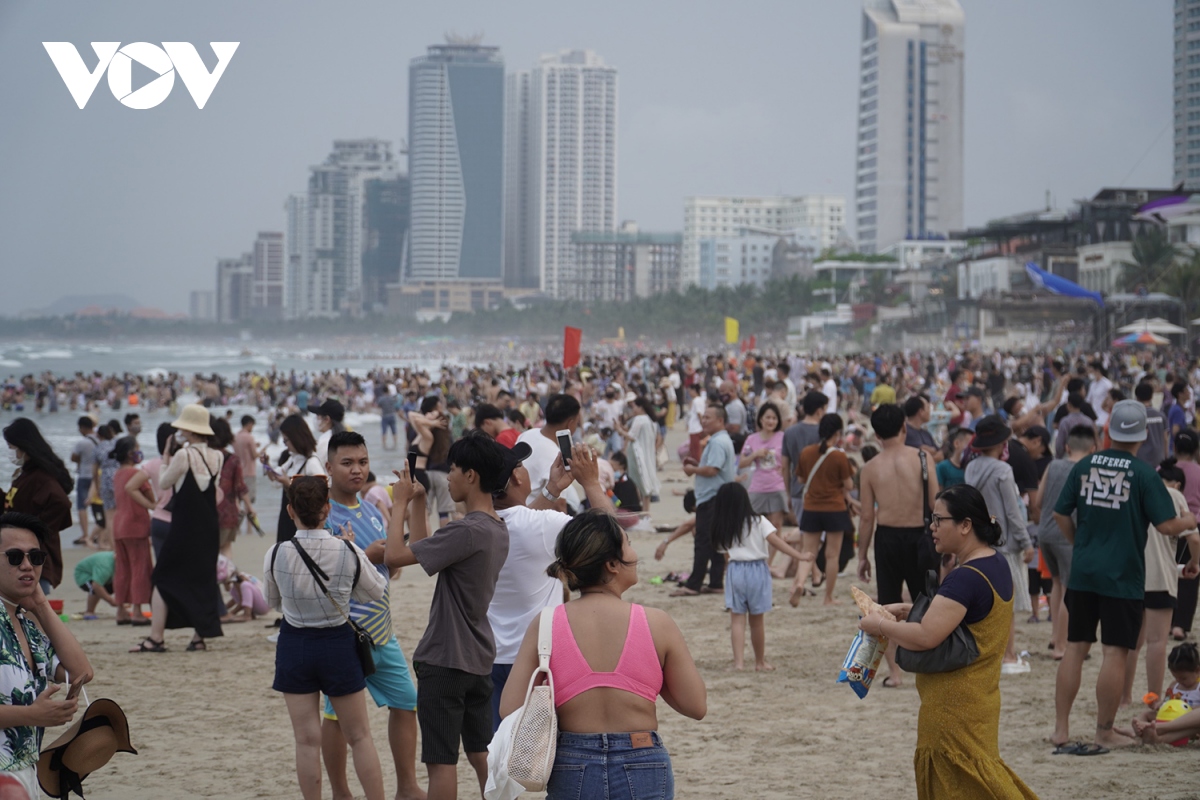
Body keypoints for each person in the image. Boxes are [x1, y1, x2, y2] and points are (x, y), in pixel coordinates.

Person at [499, 510, 707, 800]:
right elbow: (696, 706)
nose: (634, 553)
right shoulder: (657, 623)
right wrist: (648, 680)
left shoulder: (546, 623)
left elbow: (508, 708)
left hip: (572, 763)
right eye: (629, 543)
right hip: (642, 758)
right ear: (612, 564)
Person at [858, 485, 1039, 800]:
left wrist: (881, 625)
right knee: (984, 780)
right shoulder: (995, 563)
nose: (932, 527)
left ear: (965, 525)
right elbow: (962, 617)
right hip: (980, 697)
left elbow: (927, 636)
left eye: (939, 520)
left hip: (954, 705)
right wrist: (907, 610)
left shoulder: (965, 576)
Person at [1051, 400, 1198, 752]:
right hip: (1123, 575)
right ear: (1144, 434)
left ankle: (1060, 729)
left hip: (1085, 572)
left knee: (1075, 649)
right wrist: (1191, 521)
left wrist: (1080, 545)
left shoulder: (1084, 465)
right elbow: (1165, 525)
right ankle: (1103, 729)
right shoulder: (1144, 473)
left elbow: (1059, 514)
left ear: (1109, 431)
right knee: (1114, 652)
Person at [384, 432, 511, 800]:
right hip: (478, 658)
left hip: (444, 659)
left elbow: (395, 557)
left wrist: (398, 503)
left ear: (471, 475)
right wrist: (418, 502)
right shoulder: (495, 528)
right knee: (480, 752)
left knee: (441, 762)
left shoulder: (466, 529)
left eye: (453, 468)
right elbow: (428, 555)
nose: (449, 475)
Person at [263, 477, 387, 800]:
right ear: (327, 509)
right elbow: (375, 591)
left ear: (291, 511)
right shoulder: (346, 550)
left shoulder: (276, 553)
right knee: (359, 736)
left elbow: (272, 602)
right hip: (337, 641)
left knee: (305, 740)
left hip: (294, 642)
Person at [319, 431, 424, 800]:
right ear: (329, 467)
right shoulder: (322, 516)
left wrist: (387, 552)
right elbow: (318, 580)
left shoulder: (372, 511)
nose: (356, 470)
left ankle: (408, 787)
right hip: (342, 632)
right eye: (347, 463)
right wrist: (367, 553)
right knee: (336, 717)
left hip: (382, 631)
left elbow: (389, 571)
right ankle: (340, 792)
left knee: (407, 702)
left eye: (362, 462)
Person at [488, 441, 614, 729]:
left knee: (502, 746)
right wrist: (591, 483)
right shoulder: (543, 525)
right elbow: (610, 538)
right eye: (520, 465)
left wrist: (551, 490)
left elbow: (519, 519)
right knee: (547, 749)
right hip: (540, 655)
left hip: (491, 655)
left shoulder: (480, 525)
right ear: (518, 477)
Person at [0, 512, 93, 799]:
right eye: (15, 557)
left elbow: (81, 672)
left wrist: (41, 604)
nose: (27, 565)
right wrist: (31, 714)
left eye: (35, 557)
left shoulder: (28, 625)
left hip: (26, 770)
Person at [857, 403, 940, 687]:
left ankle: (895, 673)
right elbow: (935, 504)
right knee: (927, 602)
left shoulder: (869, 468)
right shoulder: (922, 458)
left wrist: (862, 556)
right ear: (904, 427)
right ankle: (928, 663)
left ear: (876, 434)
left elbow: (867, 517)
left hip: (887, 537)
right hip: (921, 535)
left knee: (887, 607)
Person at [132, 404, 224, 654]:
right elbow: (215, 492)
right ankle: (198, 637)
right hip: (209, 526)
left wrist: (164, 457)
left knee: (162, 577)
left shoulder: (184, 455)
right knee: (202, 579)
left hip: (185, 526)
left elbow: (163, 482)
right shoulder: (218, 456)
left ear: (188, 430)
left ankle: (156, 638)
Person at [1119, 458, 1200, 708]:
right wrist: (1194, 563)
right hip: (1160, 580)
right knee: (1156, 642)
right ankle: (1152, 698)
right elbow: (1194, 539)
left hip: (1131, 577)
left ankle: (1124, 697)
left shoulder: (1134, 491)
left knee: (1131, 642)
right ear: (1176, 483)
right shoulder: (1174, 496)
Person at [713, 482, 810, 670]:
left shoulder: (724, 525)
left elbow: (725, 553)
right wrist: (799, 556)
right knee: (757, 621)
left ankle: (739, 663)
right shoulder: (758, 521)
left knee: (737, 619)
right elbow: (776, 541)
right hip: (758, 570)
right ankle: (759, 662)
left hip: (735, 570)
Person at [964, 415, 1035, 673]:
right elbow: (1013, 512)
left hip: (975, 543)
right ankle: (1008, 656)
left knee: (982, 603)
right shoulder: (1002, 470)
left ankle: (986, 656)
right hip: (1002, 543)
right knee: (1007, 605)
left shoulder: (971, 467)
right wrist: (1027, 542)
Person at [1034, 425, 1096, 660]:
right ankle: (1062, 646)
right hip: (1066, 534)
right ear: (1093, 448)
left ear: (1067, 446)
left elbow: (1038, 501)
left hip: (1045, 533)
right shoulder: (1087, 470)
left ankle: (1054, 637)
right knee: (1070, 590)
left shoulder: (1053, 465)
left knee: (1057, 585)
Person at [2, 418, 74, 594]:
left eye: (12, 448)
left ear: (23, 447)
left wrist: (35, 530)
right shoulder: (26, 474)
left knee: (31, 612)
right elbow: (14, 504)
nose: (11, 453)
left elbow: (61, 503)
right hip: (18, 554)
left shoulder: (40, 477)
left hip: (33, 558)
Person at [791, 413, 856, 607]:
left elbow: (801, 480)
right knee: (832, 555)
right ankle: (828, 597)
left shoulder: (807, 452)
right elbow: (849, 484)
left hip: (811, 507)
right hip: (834, 508)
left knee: (808, 551)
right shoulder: (839, 456)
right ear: (837, 433)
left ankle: (800, 583)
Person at [674, 404, 737, 597]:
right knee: (716, 541)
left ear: (720, 420)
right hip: (717, 497)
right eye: (704, 417)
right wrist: (698, 466)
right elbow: (710, 467)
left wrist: (693, 470)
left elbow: (712, 470)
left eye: (708, 418)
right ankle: (716, 582)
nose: (704, 421)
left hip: (712, 498)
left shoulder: (718, 442)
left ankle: (694, 584)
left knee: (703, 541)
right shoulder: (719, 440)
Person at [109, 436, 154, 626]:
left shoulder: (117, 474)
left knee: (123, 569)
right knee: (139, 568)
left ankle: (121, 610)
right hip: (136, 523)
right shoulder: (135, 473)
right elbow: (150, 495)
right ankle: (136, 610)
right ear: (130, 453)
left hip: (119, 524)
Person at [517, 394, 583, 512]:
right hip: (534, 516)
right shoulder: (557, 457)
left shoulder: (527, 434)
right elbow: (559, 505)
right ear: (570, 424)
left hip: (517, 508)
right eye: (577, 423)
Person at [264, 414, 323, 544]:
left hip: (303, 520)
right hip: (288, 514)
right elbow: (276, 477)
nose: (285, 445)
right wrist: (267, 465)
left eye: (286, 440)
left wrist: (289, 484)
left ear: (296, 438)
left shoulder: (311, 463)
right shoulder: (292, 459)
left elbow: (320, 493)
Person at [739, 402, 788, 558]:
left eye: (774, 418)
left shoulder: (783, 437)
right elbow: (741, 462)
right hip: (757, 486)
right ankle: (755, 557)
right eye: (767, 417)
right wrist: (755, 454)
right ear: (760, 419)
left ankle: (768, 564)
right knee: (751, 525)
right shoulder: (752, 439)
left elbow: (790, 459)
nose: (771, 421)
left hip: (777, 486)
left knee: (776, 527)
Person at [1122, 642, 1200, 739]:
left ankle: (1158, 729)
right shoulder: (1174, 685)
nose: (1179, 681)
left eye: (1184, 678)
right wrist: (1159, 704)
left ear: (1197, 670)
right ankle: (1136, 730)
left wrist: (1187, 708)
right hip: (1169, 717)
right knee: (1146, 714)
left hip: (1186, 723)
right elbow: (1167, 701)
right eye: (1176, 678)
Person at [210, 417, 252, 559]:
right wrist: (250, 507)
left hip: (207, 510)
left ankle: (213, 579)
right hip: (228, 512)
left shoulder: (204, 456)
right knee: (226, 547)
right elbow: (240, 487)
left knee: (211, 549)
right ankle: (227, 577)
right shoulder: (233, 459)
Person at [1172, 428, 1200, 641]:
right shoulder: (1199, 471)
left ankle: (1167, 620)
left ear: (1174, 447)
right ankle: (1181, 625)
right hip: (1195, 525)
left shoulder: (1163, 470)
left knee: (1168, 573)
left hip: (1169, 526)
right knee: (1191, 576)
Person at [615, 396, 661, 505]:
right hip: (647, 454)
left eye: (634, 407)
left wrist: (619, 430)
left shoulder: (639, 419)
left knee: (637, 482)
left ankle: (638, 507)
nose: (633, 410)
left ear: (641, 407)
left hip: (637, 454)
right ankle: (645, 510)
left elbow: (631, 436)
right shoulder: (651, 420)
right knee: (646, 482)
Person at [69, 416, 99, 547]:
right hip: (97, 475)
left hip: (84, 475)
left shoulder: (82, 443)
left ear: (82, 427)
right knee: (97, 504)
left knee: (82, 506)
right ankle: (98, 532)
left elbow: (73, 457)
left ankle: (85, 534)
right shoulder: (99, 439)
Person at [234, 415, 262, 532]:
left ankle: (237, 528)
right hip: (249, 472)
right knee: (248, 501)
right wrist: (261, 452)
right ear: (249, 424)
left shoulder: (235, 437)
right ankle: (249, 529)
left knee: (238, 501)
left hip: (238, 472)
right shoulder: (249, 437)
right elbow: (254, 455)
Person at [74, 550, 116, 619]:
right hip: (84, 574)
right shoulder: (105, 565)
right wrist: (111, 601)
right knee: (94, 589)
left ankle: (122, 610)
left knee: (115, 586)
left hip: (106, 575)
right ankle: (89, 611)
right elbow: (96, 585)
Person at [1134, 382, 1168, 467]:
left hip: (1140, 461)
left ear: (1136, 398)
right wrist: (1166, 458)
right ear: (1152, 396)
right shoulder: (1161, 416)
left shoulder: (1135, 417)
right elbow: (1165, 439)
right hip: (1159, 460)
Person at [308, 398, 346, 470]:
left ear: (327, 419)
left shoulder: (325, 442)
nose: (316, 419)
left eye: (317, 416)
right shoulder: (344, 438)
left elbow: (314, 470)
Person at [904, 395, 941, 462]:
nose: (929, 411)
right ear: (921, 412)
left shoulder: (926, 433)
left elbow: (940, 454)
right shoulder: (905, 431)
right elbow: (921, 450)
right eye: (927, 407)